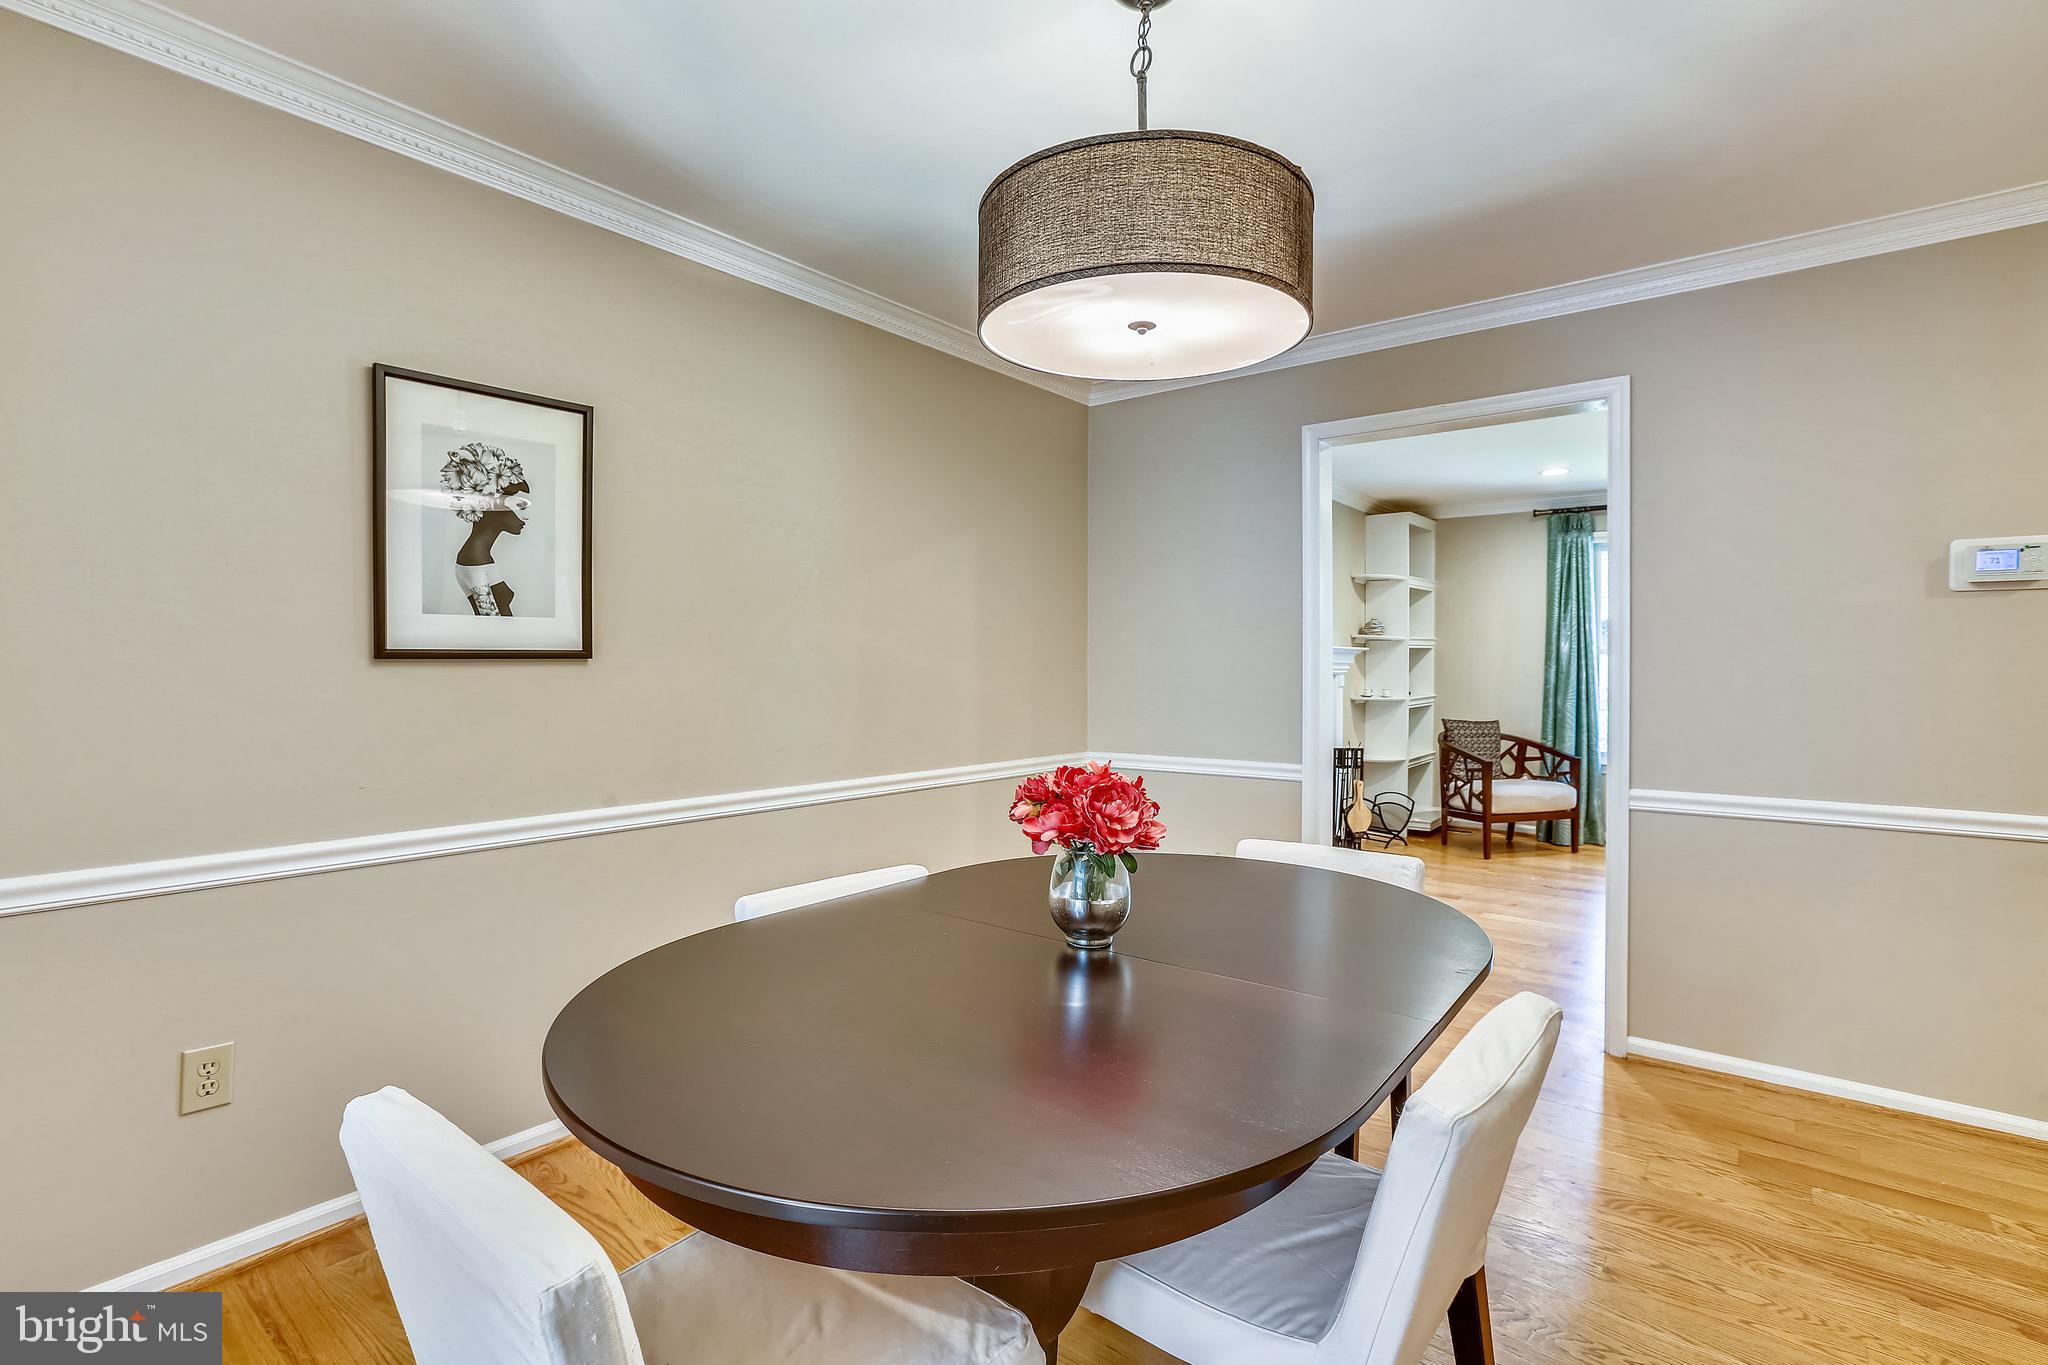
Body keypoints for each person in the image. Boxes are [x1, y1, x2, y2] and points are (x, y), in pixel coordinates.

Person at [436, 443, 531, 616]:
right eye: (511, 505)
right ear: (489, 508)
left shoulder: (480, 558)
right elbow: (489, 618)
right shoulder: (474, 561)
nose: (523, 517)